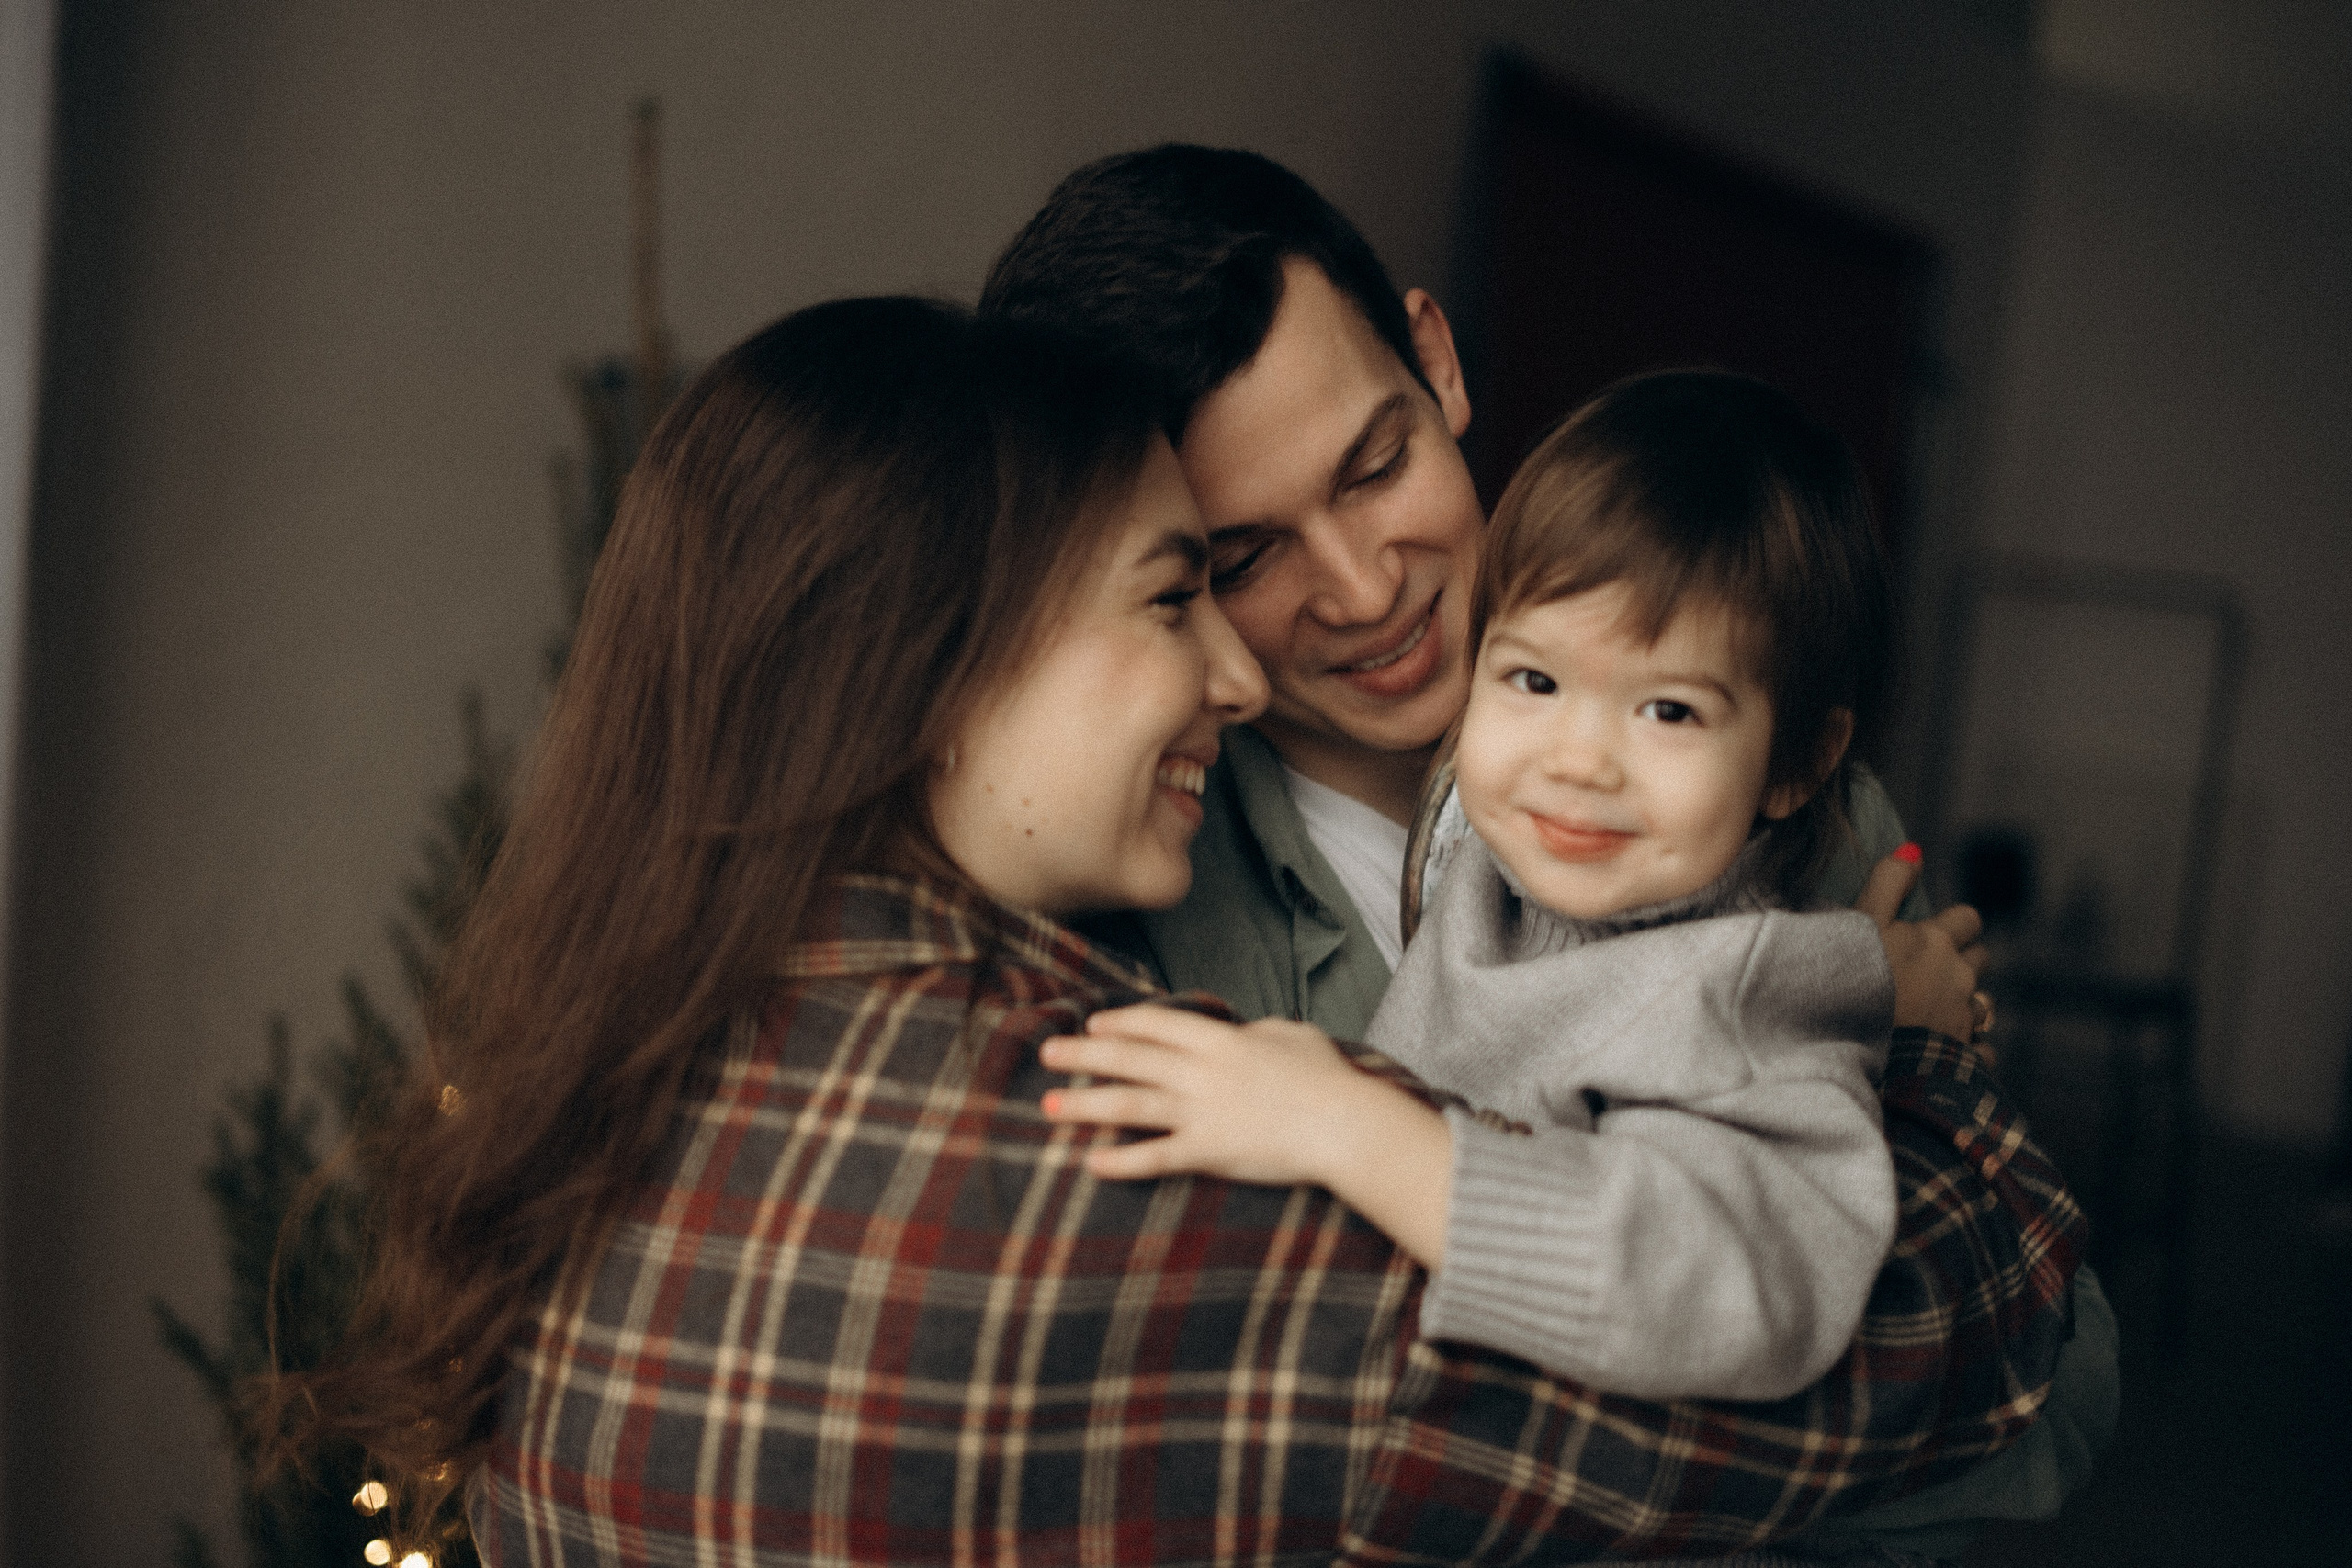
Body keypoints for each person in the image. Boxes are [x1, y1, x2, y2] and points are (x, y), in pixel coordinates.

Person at [260, 298, 2076, 1565]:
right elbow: (1931, 1357)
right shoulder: (1158, 1140)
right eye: (1174, 589)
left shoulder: (585, 1074)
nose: (1244, 660)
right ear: (935, 671)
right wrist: (1896, 1037)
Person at [983, 145, 2115, 1560]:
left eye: (1378, 464)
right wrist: (1874, 1021)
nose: (1365, 587)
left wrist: (1873, 1028)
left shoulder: (1780, 786)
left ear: (1439, 363)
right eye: (1242, 557)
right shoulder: (1145, 890)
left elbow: (2059, 1385)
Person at [1043, 369, 1917, 1406]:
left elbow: (1743, 1296)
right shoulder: (1479, 877)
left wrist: (1346, 1125)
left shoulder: (1742, 990)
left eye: (1669, 712)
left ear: (1796, 767)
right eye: (1534, 682)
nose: (1578, 760)